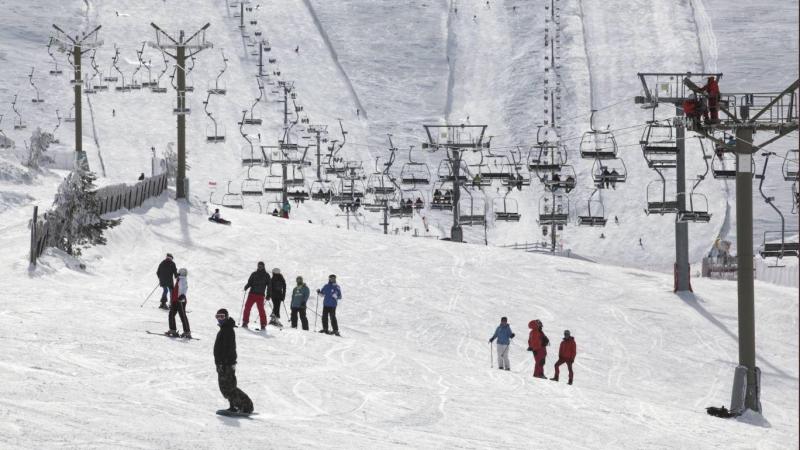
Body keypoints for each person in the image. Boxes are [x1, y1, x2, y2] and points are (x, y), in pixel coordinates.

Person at [214, 309, 254, 414]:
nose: (220, 319)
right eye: (218, 317)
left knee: (229, 388)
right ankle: (234, 406)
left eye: (222, 317)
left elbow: (229, 348)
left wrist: (225, 362)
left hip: (226, 363)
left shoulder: (228, 330)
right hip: (222, 364)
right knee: (226, 388)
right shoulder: (224, 329)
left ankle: (245, 406)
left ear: (226, 317)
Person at [242, 262, 270, 330]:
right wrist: (247, 286)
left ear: (263, 266)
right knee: (247, 308)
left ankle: (263, 324)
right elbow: (250, 282)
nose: (260, 267)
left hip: (260, 295)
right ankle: (245, 322)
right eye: (259, 266)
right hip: (252, 294)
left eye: (261, 266)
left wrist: (269, 294)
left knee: (261, 310)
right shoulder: (254, 274)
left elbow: (269, 286)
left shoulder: (266, 275)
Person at [166, 268, 191, 338]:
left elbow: (184, 288)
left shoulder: (183, 280)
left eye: (179, 273)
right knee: (171, 315)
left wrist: (182, 296)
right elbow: (178, 289)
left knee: (182, 316)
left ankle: (187, 332)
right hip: (175, 300)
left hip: (180, 301)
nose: (178, 273)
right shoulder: (179, 279)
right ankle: (172, 330)